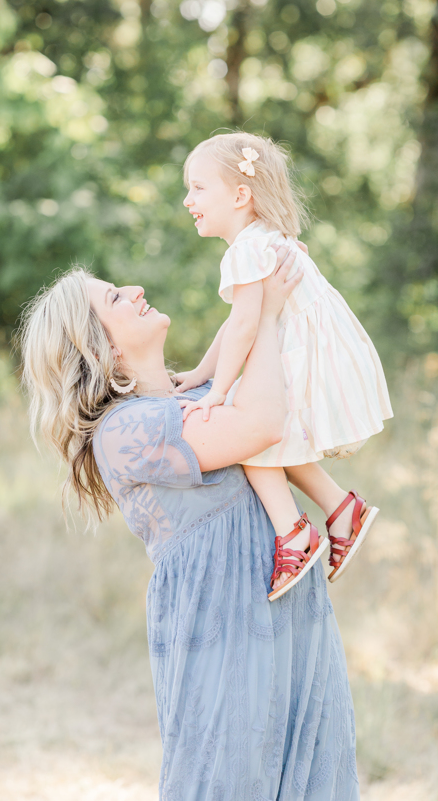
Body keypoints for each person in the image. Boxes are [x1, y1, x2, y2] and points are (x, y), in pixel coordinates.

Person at [19, 251, 360, 800]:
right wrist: (265, 316)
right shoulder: (123, 433)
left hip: (293, 616)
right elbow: (264, 422)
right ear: (100, 348)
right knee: (228, 779)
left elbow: (267, 384)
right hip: (225, 622)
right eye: (113, 298)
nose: (133, 289)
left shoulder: (199, 399)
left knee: (314, 775)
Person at [178, 132, 393, 600]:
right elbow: (240, 321)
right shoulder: (265, 239)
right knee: (277, 441)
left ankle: (294, 533)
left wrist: (217, 392)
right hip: (306, 349)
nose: (187, 199)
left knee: (250, 433)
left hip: (297, 353)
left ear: (240, 195)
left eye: (198, 188)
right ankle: (340, 511)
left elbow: (244, 329)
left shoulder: (247, 250)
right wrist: (200, 374)